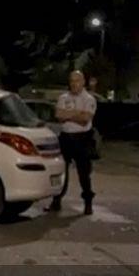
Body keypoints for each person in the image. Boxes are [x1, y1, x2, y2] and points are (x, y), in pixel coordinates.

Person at [48, 70, 97, 215]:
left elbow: (85, 120)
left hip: (82, 139)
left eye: (77, 81)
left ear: (83, 82)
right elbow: (59, 115)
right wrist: (77, 113)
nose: (74, 84)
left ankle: (88, 202)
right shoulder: (63, 97)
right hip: (65, 138)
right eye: (72, 81)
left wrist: (68, 115)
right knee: (61, 171)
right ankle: (56, 201)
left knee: (84, 173)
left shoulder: (89, 99)